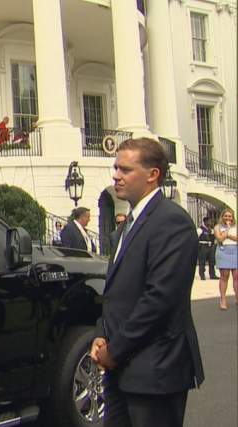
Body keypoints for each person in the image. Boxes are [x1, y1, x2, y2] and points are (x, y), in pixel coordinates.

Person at [90, 137, 204, 427]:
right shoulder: (127, 225)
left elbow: (158, 300)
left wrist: (114, 351)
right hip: (120, 370)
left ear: (153, 174)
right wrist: (102, 333)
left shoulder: (171, 222)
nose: (116, 175)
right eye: (116, 168)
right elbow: (116, 291)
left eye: (126, 169)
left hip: (156, 370)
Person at [214, 209, 238, 310]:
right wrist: (227, 230)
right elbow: (220, 238)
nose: (228, 218)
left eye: (230, 216)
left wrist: (228, 235)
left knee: (236, 276)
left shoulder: (236, 227)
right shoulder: (217, 227)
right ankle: (223, 299)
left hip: (235, 252)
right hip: (223, 252)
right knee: (224, 276)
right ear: (222, 217)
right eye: (226, 216)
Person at [197, 217, 218, 281]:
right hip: (203, 246)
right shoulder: (200, 230)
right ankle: (202, 275)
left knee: (212, 261)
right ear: (205, 222)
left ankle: (212, 274)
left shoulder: (211, 230)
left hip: (210, 246)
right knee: (202, 261)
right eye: (209, 221)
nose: (211, 223)